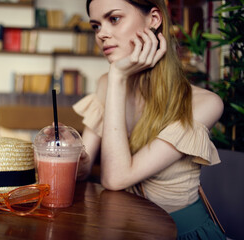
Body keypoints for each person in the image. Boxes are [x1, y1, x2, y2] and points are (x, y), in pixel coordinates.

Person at [72, 0, 226, 239]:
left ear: (154, 19)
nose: (101, 33)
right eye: (95, 25)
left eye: (113, 19)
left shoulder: (204, 104)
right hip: (123, 229)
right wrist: (68, 152)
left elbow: (115, 179)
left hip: (183, 234)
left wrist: (117, 76)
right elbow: (82, 172)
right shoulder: (107, 84)